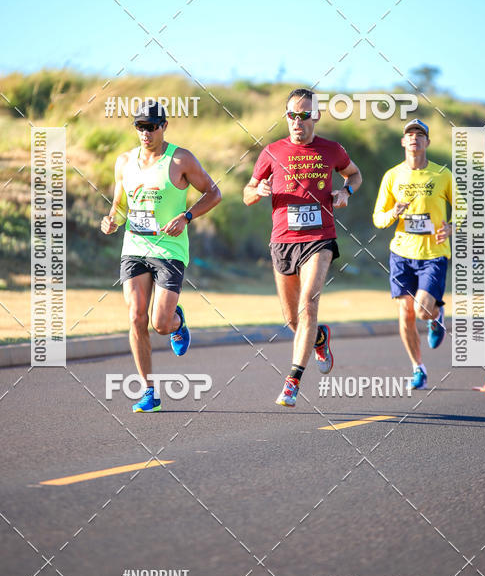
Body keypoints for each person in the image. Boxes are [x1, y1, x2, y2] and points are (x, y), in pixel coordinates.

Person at [243, 88, 362, 407]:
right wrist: (258, 190)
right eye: (292, 115)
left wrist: (346, 191)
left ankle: (292, 381)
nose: (297, 121)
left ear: (316, 116)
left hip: (319, 237)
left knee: (309, 304)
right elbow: (248, 191)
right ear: (286, 117)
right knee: (293, 321)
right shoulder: (271, 152)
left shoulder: (332, 149)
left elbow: (354, 173)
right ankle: (319, 338)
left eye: (304, 115)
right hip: (282, 241)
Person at [101, 101, 221, 412]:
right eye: (140, 126)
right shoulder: (124, 161)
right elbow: (120, 205)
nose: (145, 132)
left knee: (160, 324)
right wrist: (112, 219)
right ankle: (149, 392)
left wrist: (187, 216)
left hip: (170, 249)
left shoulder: (181, 159)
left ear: (164, 126)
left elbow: (213, 193)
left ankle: (177, 322)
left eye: (151, 126)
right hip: (135, 248)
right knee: (135, 317)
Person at [372, 119, 461, 390]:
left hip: (433, 253)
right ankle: (418, 368)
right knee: (405, 312)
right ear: (403, 142)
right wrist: (393, 213)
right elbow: (378, 218)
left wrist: (453, 225)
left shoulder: (442, 175)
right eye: (409, 134)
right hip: (401, 252)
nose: (414, 138)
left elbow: (463, 208)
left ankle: (436, 317)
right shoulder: (392, 176)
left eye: (420, 135)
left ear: (427, 142)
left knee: (422, 310)